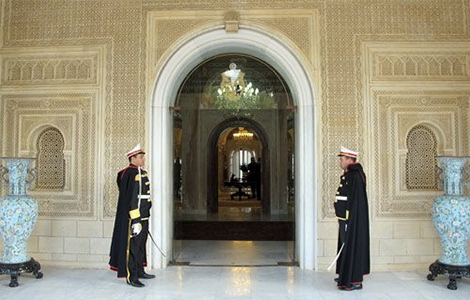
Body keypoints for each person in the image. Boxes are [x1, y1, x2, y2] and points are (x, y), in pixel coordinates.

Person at [109, 143, 155, 287]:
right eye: (141, 157)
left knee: (141, 245)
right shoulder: (131, 174)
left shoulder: (141, 172)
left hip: (144, 216)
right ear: (133, 158)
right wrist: (135, 219)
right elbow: (132, 198)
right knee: (133, 247)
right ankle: (132, 276)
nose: (143, 160)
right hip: (135, 218)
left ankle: (140, 270)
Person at [333, 146, 370, 291]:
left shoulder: (355, 176)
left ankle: (354, 280)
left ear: (350, 159)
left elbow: (355, 201)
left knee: (352, 246)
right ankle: (345, 274)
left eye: (342, 159)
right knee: (345, 246)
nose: (340, 162)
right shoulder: (349, 174)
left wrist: (350, 219)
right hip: (345, 218)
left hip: (351, 219)